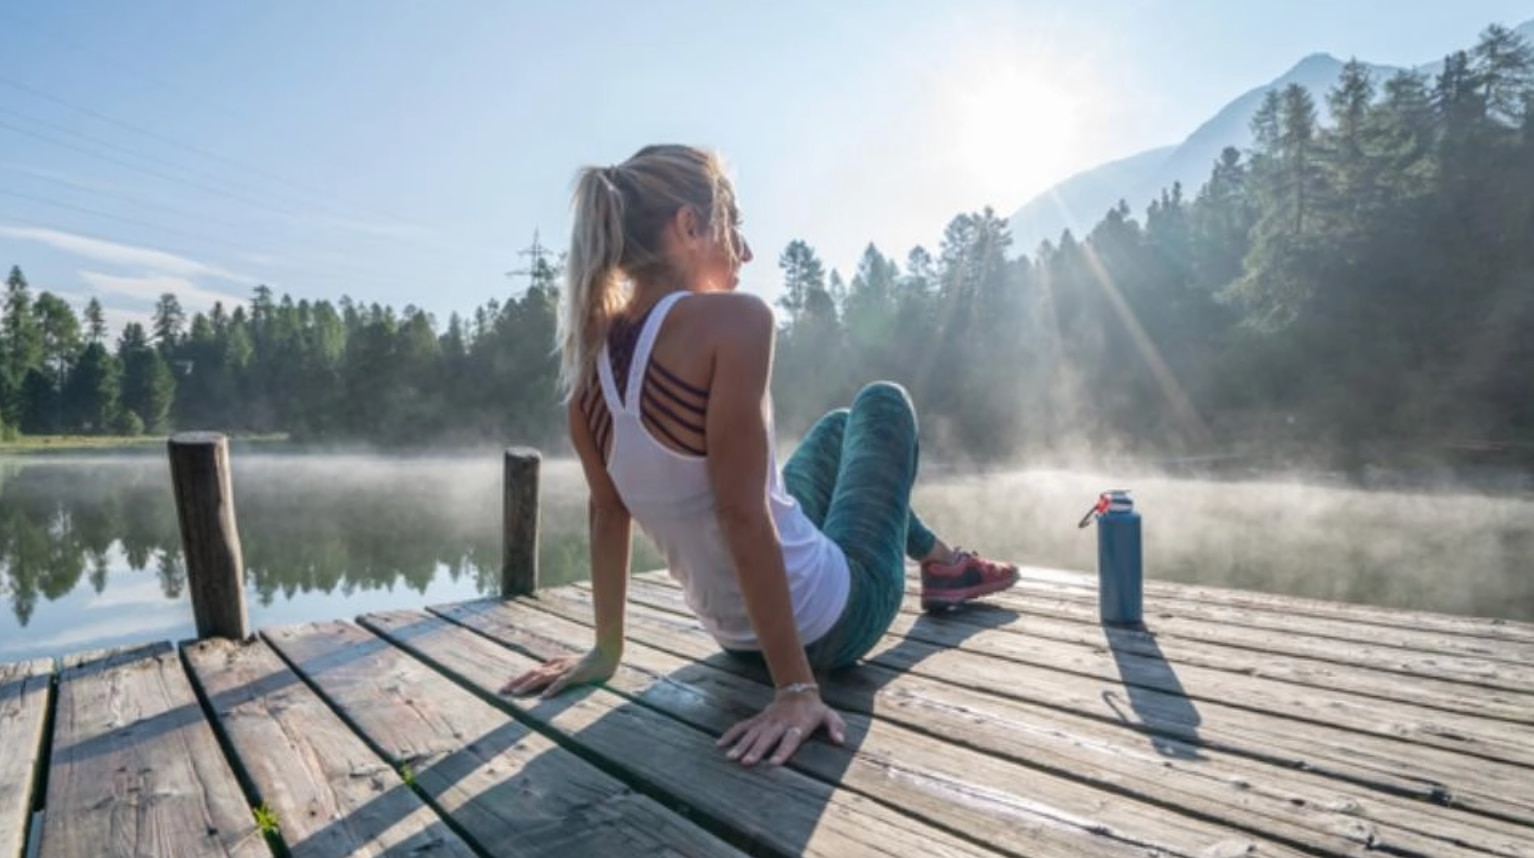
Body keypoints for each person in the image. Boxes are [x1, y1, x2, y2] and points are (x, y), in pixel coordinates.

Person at [501, 144, 1019, 767]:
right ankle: (945, 566)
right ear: (689, 227)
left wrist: (605, 651)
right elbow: (741, 512)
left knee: (833, 431)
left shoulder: (588, 374)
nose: (744, 251)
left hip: (736, 642)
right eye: (733, 225)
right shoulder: (736, 322)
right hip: (835, 622)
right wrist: (796, 690)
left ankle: (942, 560)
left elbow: (608, 517)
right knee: (882, 404)